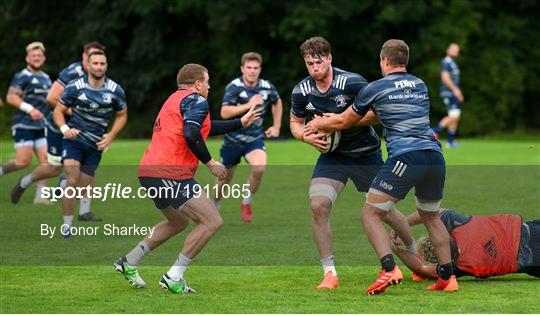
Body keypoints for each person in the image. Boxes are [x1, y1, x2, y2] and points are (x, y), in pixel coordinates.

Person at [309, 39, 458, 294]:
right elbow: (387, 114)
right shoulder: (419, 84)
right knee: (430, 216)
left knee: (370, 214)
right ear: (404, 61)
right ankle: (447, 277)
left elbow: (346, 121)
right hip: (434, 156)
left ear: (384, 61)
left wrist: (321, 124)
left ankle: (389, 269)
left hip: (405, 158)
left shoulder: (376, 88)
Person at [113, 64, 261, 294]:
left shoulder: (175, 99)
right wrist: (211, 163)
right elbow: (191, 133)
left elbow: (204, 128)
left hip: (149, 172)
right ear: (198, 84)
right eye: (208, 81)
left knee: (178, 222)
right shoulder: (197, 100)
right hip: (170, 173)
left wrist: (241, 122)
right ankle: (174, 276)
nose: (210, 86)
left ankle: (130, 260)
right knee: (212, 221)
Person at [290, 36, 415, 290]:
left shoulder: (353, 82)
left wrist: (341, 120)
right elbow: (295, 123)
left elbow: (379, 115)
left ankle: (413, 253)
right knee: (318, 205)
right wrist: (306, 137)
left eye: (318, 62)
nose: (314, 68)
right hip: (332, 158)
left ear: (329, 58)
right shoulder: (301, 91)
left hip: (365, 155)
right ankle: (329, 273)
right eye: (308, 63)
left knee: (386, 212)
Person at [11, 42, 105, 222]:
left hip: (82, 130)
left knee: (87, 168)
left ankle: (84, 211)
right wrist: (77, 113)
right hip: (59, 127)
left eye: (101, 60)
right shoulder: (71, 72)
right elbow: (52, 98)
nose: (97, 63)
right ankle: (27, 180)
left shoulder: (100, 78)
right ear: (85, 57)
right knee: (54, 168)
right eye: (93, 58)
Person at [53, 51, 127, 237]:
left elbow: (122, 115)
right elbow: (58, 111)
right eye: (95, 63)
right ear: (88, 65)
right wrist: (64, 129)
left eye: (102, 63)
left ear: (106, 66)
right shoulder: (74, 87)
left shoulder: (115, 90)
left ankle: (64, 186)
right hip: (74, 140)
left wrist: (111, 136)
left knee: (80, 189)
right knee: (72, 179)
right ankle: (67, 227)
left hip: (96, 145)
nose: (99, 67)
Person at [214, 52, 282, 223]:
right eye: (249, 68)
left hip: (254, 139)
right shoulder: (234, 87)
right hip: (232, 140)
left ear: (260, 69)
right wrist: (249, 104)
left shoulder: (266, 86)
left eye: (256, 68)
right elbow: (224, 112)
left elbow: (277, 101)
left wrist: (276, 126)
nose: (252, 71)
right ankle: (214, 204)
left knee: (259, 168)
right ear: (242, 69)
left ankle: (246, 202)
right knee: (225, 177)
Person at [391, 209, 539, 279]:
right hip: (528, 235)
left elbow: (422, 269)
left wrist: (397, 249)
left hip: (529, 258)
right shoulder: (458, 225)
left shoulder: (459, 267)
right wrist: (402, 226)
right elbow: (429, 213)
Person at [1, 42, 51, 204]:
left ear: (43, 58)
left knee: (47, 161)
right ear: (27, 58)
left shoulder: (46, 78)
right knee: (23, 161)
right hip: (24, 124)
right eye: (33, 56)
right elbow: (11, 97)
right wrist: (30, 109)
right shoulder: (22, 75)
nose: (36, 58)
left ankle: (41, 197)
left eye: (39, 55)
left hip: (42, 126)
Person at [432, 43, 463, 148]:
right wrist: (455, 90)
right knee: (454, 115)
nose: (455, 51)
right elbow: (445, 77)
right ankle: (434, 131)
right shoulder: (446, 62)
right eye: (453, 49)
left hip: (453, 92)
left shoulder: (452, 63)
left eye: (457, 50)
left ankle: (450, 141)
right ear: (447, 50)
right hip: (449, 92)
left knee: (455, 116)